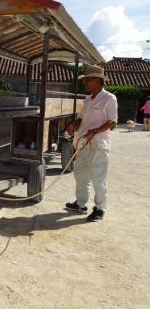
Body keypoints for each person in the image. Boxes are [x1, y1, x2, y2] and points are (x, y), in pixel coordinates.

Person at [65, 65, 118, 222]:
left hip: (98, 145)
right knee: (80, 174)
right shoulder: (87, 100)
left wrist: (94, 132)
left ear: (97, 80)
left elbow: (113, 122)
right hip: (83, 143)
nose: (85, 83)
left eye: (88, 79)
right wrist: (73, 124)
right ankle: (81, 204)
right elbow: (81, 118)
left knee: (98, 178)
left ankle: (100, 209)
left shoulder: (109, 98)